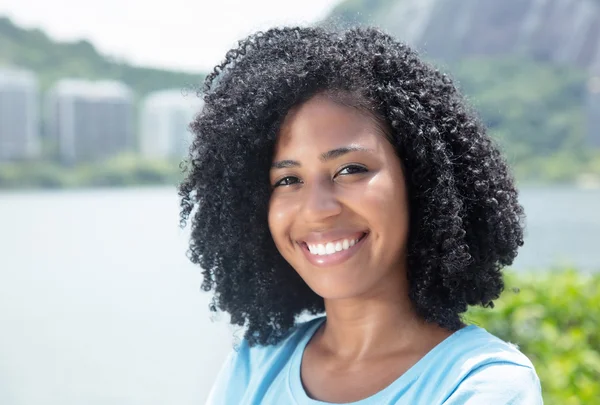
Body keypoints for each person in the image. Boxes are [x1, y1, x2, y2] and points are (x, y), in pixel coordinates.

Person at [179, 26, 543, 405]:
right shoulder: (255, 364)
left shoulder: (482, 382)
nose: (318, 209)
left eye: (351, 170)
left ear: (420, 178)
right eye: (288, 179)